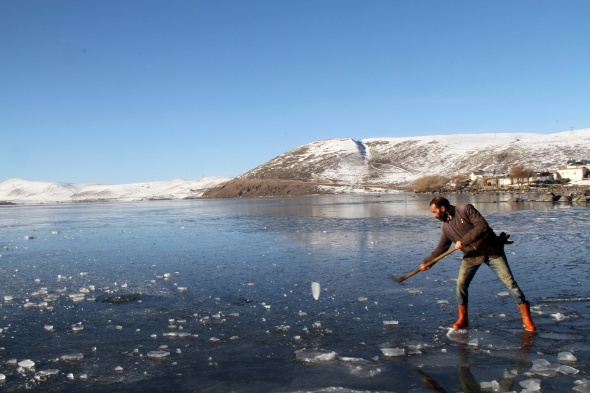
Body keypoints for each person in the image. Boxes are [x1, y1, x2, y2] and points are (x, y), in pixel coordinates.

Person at [420, 196, 536, 331]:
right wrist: (428, 262)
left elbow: (482, 226)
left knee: (509, 282)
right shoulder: (446, 228)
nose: (433, 215)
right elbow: (442, 248)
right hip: (472, 256)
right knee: (461, 284)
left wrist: (464, 241)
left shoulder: (465, 209)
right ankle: (462, 318)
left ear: (443, 208)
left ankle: (526, 318)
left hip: (492, 251)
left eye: (434, 212)